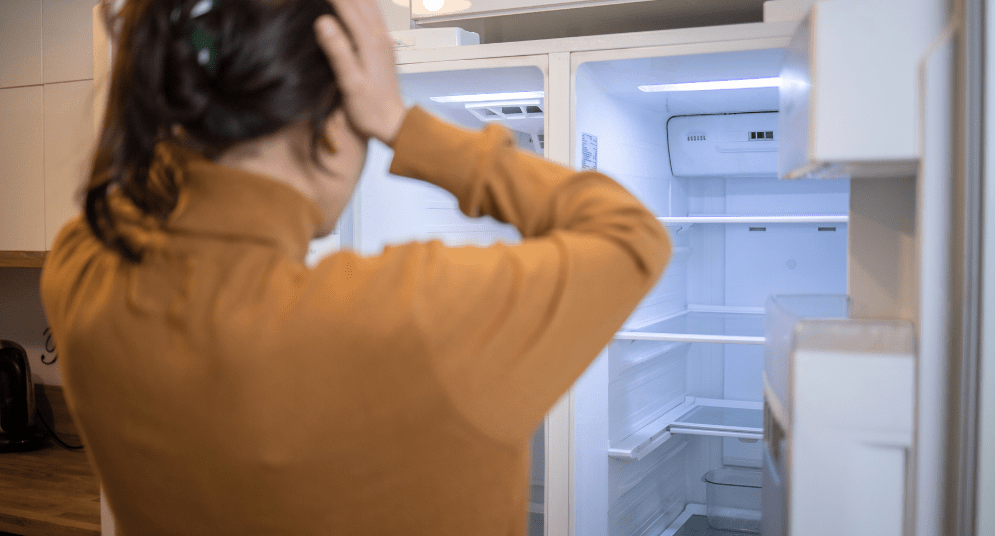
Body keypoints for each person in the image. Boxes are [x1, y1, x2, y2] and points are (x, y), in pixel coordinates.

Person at [40, 0, 671, 534]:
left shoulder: (80, 273)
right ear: (339, 126)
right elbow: (630, 233)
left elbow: (133, 188)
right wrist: (398, 120)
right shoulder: (421, 321)